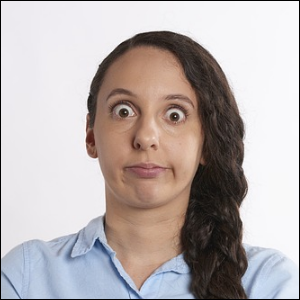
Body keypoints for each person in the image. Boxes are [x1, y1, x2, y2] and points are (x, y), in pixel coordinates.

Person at [1, 31, 299, 300]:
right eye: (123, 110)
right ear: (91, 134)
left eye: (174, 115)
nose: (145, 137)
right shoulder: (25, 277)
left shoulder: (268, 283)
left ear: (207, 143)